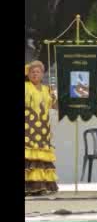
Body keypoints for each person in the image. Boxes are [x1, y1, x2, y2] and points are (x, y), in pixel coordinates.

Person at [25, 61, 59, 195]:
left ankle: (41, 187)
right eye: (32, 72)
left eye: (37, 72)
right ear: (28, 74)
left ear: (42, 74)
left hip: (43, 130)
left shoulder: (47, 89)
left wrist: (54, 95)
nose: (34, 74)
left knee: (41, 157)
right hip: (27, 128)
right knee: (28, 155)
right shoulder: (26, 87)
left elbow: (54, 106)